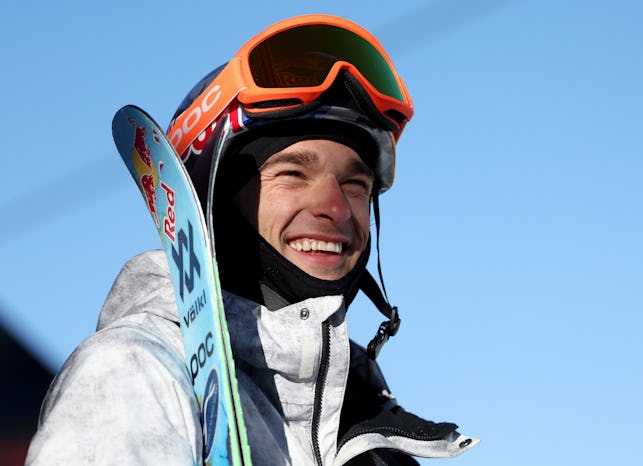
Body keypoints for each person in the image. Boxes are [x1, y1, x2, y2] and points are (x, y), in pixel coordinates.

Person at [26, 14, 478, 465]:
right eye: (293, 174)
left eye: (355, 185)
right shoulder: (134, 372)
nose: (336, 209)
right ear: (217, 201)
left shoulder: (369, 437)